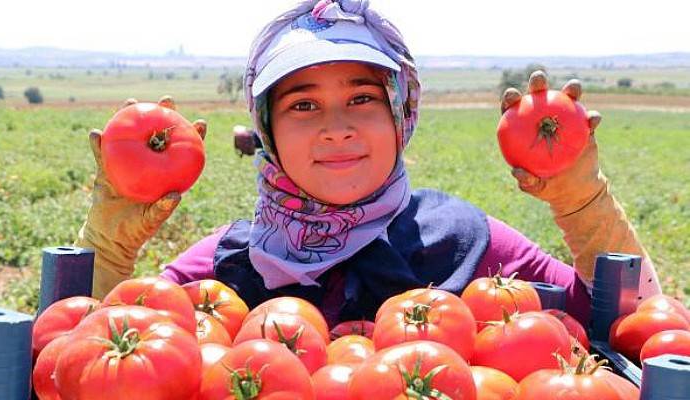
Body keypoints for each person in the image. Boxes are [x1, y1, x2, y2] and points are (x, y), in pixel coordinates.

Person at [75, 0, 661, 327]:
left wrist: (584, 204)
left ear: (400, 115)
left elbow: (635, 328)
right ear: (268, 132)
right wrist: (108, 248)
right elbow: (84, 354)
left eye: (362, 98)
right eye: (303, 105)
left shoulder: (468, 241)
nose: (337, 127)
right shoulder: (227, 262)